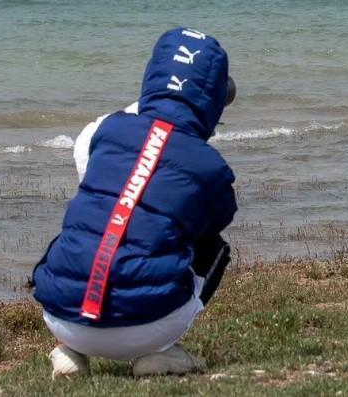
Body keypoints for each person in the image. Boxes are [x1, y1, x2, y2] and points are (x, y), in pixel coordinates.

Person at [33, 27, 238, 378]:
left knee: (95, 225)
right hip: (147, 328)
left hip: (60, 315)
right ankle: (161, 352)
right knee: (212, 247)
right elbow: (218, 218)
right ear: (212, 101)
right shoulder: (209, 166)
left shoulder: (107, 129)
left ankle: (72, 351)